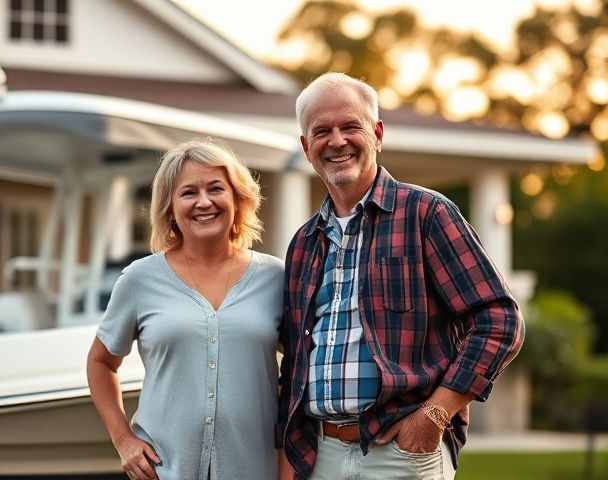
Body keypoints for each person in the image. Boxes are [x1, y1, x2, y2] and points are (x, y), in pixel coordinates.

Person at [276, 73, 525, 480]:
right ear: (306, 148)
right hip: (319, 456)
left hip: (402, 454)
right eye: (321, 131)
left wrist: (436, 414)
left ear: (376, 133)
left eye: (350, 126)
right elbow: (295, 364)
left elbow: (499, 319)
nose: (336, 140)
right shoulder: (304, 243)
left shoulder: (427, 215)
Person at [87, 139, 284, 480]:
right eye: (189, 192)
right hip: (165, 472)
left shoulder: (276, 278)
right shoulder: (139, 279)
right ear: (169, 206)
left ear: (238, 198)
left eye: (216, 189)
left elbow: (304, 369)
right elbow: (101, 362)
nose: (204, 202)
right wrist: (123, 440)